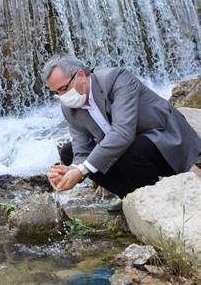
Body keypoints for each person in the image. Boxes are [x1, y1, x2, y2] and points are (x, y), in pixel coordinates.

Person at [42, 54, 201, 211]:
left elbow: (123, 133)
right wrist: (72, 169)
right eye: (56, 93)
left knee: (125, 148)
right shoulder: (68, 107)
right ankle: (130, 196)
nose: (62, 97)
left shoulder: (116, 79)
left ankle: (151, 200)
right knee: (67, 153)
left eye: (63, 89)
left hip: (164, 139)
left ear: (81, 76)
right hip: (128, 149)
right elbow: (81, 150)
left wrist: (82, 170)